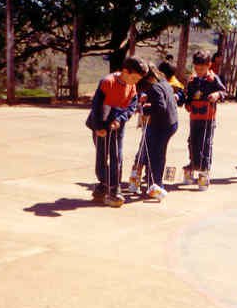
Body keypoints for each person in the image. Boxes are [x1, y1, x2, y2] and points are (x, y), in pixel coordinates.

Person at [85, 56, 147, 207]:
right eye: (134, 78)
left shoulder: (131, 86)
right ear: (125, 71)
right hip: (101, 123)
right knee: (102, 155)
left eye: (138, 80)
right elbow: (96, 106)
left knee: (116, 156)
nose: (135, 82)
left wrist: (120, 120)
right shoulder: (107, 82)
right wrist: (98, 127)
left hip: (117, 125)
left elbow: (131, 107)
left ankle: (115, 188)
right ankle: (103, 183)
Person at [133, 63, 179, 201]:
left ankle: (156, 185)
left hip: (162, 125)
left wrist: (144, 109)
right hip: (171, 123)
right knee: (157, 153)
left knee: (155, 156)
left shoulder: (154, 87)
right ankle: (153, 182)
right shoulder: (163, 82)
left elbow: (160, 107)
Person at [183, 51, 227, 189]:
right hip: (194, 117)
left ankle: (204, 170)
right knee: (192, 142)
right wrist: (187, 103)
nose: (199, 71)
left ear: (209, 65)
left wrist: (217, 94)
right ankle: (193, 163)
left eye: (202, 68)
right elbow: (189, 95)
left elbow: (224, 92)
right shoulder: (192, 80)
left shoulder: (213, 79)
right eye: (196, 68)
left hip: (208, 118)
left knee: (205, 143)